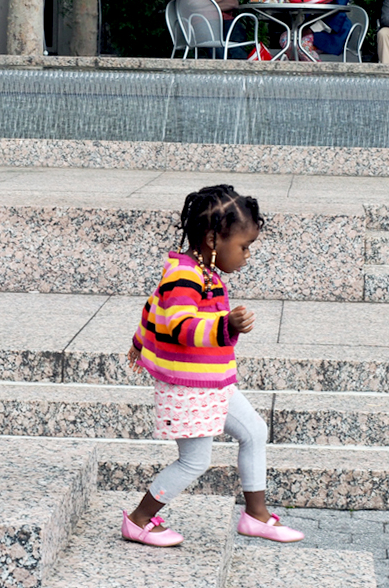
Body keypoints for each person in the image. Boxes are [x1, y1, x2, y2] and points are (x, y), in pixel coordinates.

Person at [121, 185, 304, 547]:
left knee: (254, 431)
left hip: (211, 383)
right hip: (190, 389)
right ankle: (139, 519)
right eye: (243, 246)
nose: (247, 255)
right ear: (212, 239)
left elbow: (152, 308)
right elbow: (178, 324)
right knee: (193, 462)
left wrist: (139, 342)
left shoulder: (199, 271)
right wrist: (226, 326)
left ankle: (256, 515)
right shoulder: (185, 276)